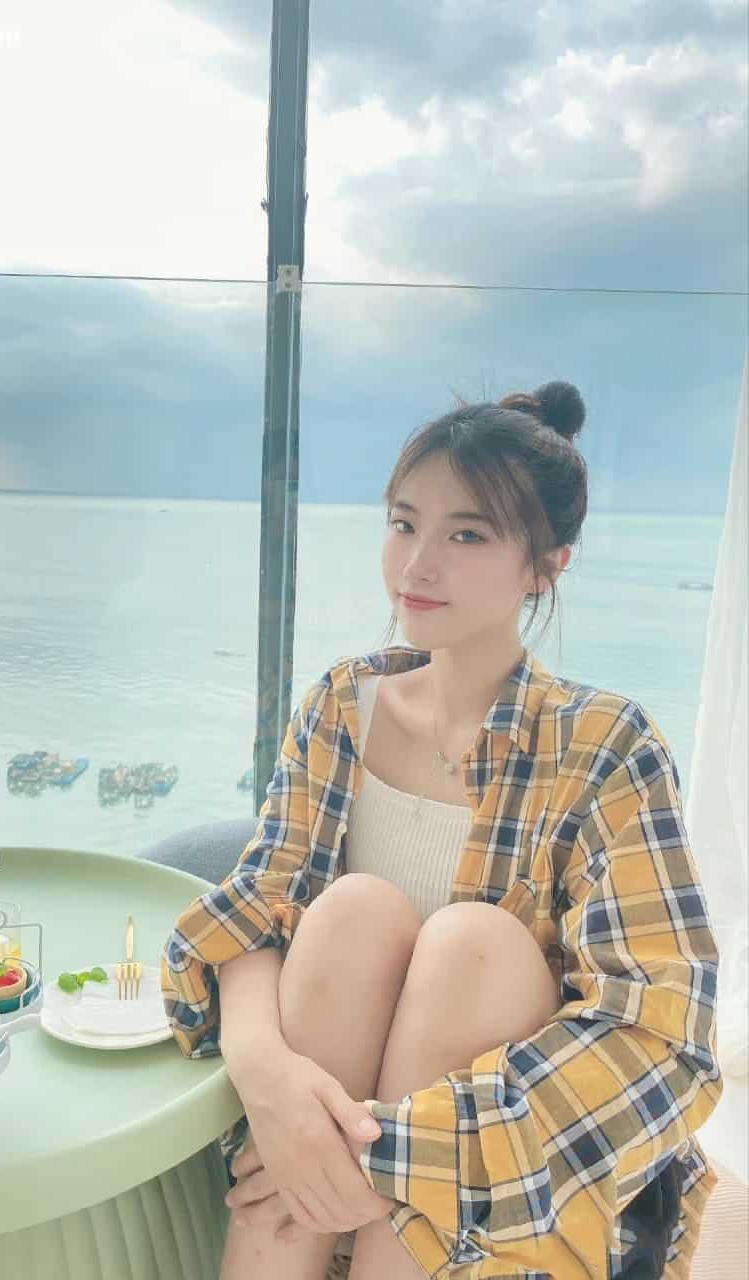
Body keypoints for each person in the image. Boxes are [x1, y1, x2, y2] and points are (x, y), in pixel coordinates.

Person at [161, 382, 723, 1280]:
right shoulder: (344, 704)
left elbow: (661, 1040)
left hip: (497, 1195)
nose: (417, 565)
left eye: (467, 536)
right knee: (354, 911)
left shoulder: (608, 746)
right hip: (312, 1145)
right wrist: (267, 1076)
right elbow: (256, 911)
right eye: (403, 523)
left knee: (473, 943)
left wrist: (394, 1157)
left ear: (546, 567)